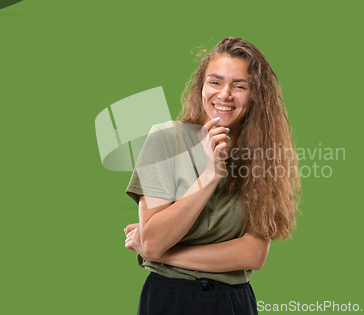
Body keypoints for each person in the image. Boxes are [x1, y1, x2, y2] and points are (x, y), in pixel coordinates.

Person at [124, 37, 301, 315]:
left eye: (239, 86)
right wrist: (210, 175)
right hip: (167, 297)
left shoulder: (265, 155)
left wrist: (160, 255)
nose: (225, 94)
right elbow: (155, 240)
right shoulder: (165, 141)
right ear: (201, 86)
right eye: (215, 82)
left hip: (232, 301)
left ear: (256, 95)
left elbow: (253, 255)